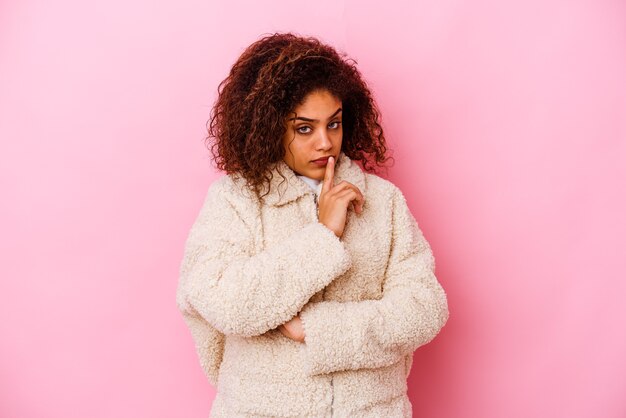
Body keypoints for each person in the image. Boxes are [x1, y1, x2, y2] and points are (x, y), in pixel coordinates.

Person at [176, 32, 449, 417]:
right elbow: (222, 302)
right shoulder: (234, 200)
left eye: (333, 124)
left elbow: (424, 309)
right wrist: (323, 236)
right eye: (304, 128)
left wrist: (321, 330)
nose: (325, 143)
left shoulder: (384, 201)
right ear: (271, 127)